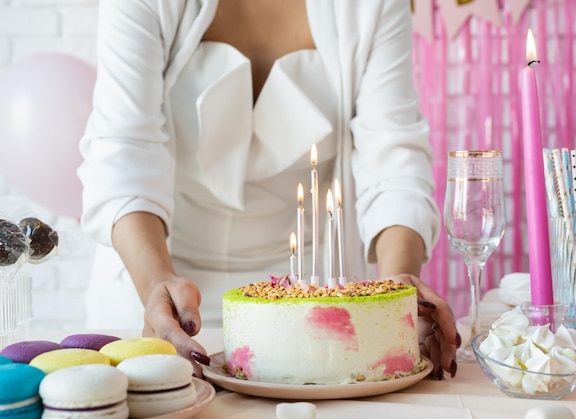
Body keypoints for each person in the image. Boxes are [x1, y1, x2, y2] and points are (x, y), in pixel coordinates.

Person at [78, 0, 459, 379]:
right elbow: (123, 151)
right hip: (157, 290)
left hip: (317, 308)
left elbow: (393, 159)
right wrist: (155, 283)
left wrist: (392, 299)